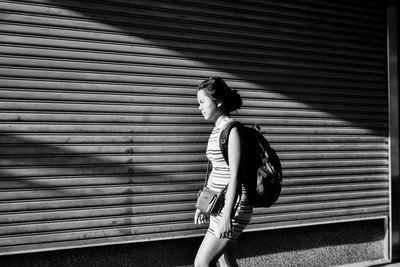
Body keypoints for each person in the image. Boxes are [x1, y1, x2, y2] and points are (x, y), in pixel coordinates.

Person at [194, 77, 253, 267]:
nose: (199, 107)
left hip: (233, 207)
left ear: (217, 101)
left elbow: (235, 175)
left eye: (202, 102)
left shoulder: (232, 130)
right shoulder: (216, 129)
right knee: (226, 261)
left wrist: (227, 216)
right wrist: (204, 205)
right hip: (219, 204)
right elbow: (216, 171)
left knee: (202, 263)